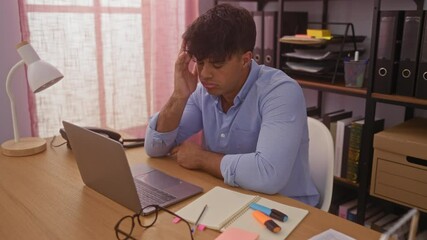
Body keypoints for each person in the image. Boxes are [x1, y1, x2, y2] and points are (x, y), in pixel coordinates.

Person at [144, 3, 319, 207]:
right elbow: (155, 147)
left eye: (217, 64)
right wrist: (179, 95)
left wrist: (201, 158)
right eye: (200, 63)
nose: (205, 74)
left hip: (285, 208)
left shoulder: (281, 92)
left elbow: (269, 174)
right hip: (230, 197)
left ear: (245, 59)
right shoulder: (204, 91)